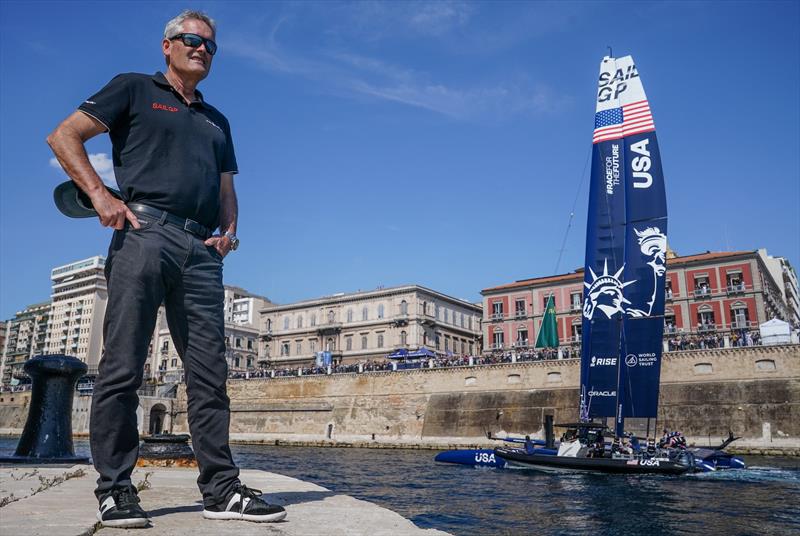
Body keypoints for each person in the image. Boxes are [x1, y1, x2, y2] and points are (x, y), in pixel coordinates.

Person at [47, 10, 286, 528]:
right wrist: (100, 195)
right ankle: (114, 490)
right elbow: (64, 136)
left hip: (203, 253)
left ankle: (221, 491)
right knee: (122, 367)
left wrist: (228, 234)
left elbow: (226, 188)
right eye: (192, 40)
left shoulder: (218, 120)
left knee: (210, 375)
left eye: (210, 46)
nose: (202, 49)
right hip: (143, 235)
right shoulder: (134, 88)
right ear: (168, 45)